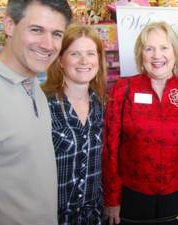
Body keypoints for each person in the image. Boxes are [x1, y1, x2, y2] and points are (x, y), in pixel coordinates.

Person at [103, 21, 178, 225]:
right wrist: (112, 198)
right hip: (132, 195)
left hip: (177, 196)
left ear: (175, 52)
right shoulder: (122, 89)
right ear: (140, 54)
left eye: (164, 47)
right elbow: (110, 148)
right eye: (149, 48)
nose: (157, 55)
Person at [0, 0, 72, 225]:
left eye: (56, 34)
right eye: (36, 30)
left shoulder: (32, 84)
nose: (48, 44)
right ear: (9, 25)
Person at [42, 24, 107, 225]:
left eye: (90, 53)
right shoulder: (44, 104)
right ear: (60, 60)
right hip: (52, 216)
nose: (84, 61)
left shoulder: (102, 105)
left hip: (94, 215)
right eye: (75, 54)